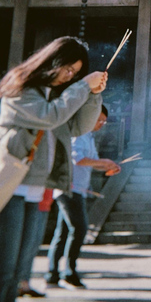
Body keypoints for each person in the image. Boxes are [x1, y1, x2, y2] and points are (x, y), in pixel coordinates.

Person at [0, 36, 107, 302]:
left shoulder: (57, 95)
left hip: (37, 189)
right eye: (67, 69)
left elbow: (78, 127)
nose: (68, 77)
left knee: (19, 269)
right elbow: (51, 117)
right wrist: (82, 87)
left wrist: (93, 95)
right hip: (10, 186)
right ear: (51, 60)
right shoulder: (20, 88)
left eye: (74, 73)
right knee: (1, 268)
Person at [46, 105, 119, 290]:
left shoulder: (88, 136)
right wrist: (103, 162)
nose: (102, 124)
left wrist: (108, 166)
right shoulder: (79, 134)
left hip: (77, 189)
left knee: (63, 233)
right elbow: (77, 159)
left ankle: (52, 275)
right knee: (79, 229)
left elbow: (91, 162)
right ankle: (69, 273)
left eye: (104, 121)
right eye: (99, 120)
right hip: (69, 189)